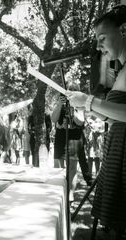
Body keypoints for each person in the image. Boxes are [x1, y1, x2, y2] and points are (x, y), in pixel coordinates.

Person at [67, 5, 126, 237]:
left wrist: (90, 101)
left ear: (123, 30)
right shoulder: (121, 70)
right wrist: (89, 107)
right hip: (117, 154)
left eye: (102, 38)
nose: (98, 46)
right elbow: (117, 120)